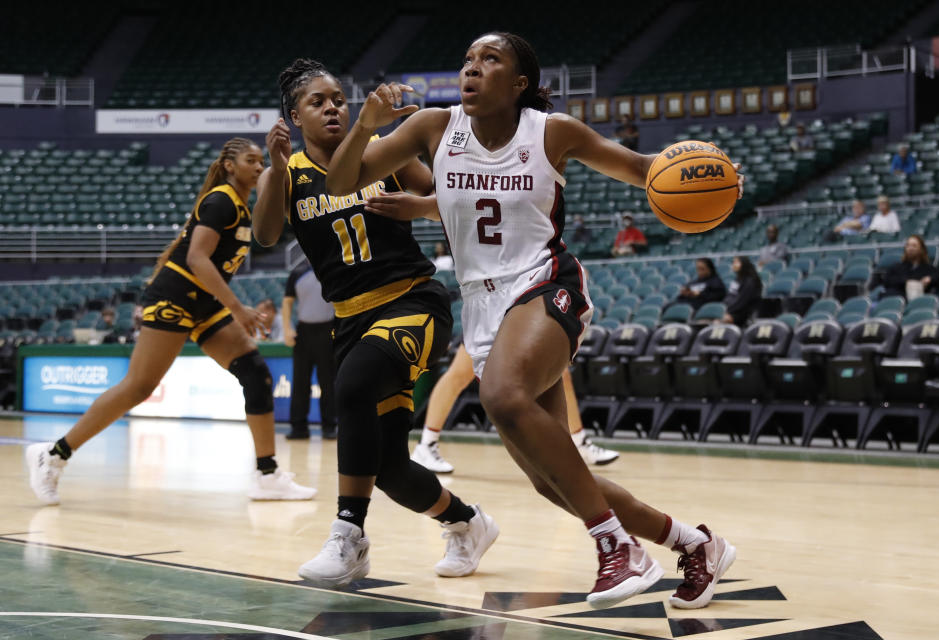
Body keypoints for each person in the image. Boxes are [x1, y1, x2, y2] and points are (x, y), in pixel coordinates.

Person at [327, 32, 738, 610]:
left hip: (546, 283)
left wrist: (709, 169)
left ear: (519, 84)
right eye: (467, 59)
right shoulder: (433, 127)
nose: (471, 69)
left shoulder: (550, 132)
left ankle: (619, 549)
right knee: (551, 480)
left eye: (489, 60)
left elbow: (647, 168)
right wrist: (366, 125)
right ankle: (694, 543)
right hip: (482, 303)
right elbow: (342, 182)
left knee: (500, 393)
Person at [252, 58, 498, 589]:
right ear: (295, 116)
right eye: (318, 102)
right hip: (350, 319)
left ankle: (349, 535)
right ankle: (467, 522)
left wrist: (415, 205)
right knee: (387, 470)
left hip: (411, 298)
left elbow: (447, 201)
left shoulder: (379, 151)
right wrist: (274, 168)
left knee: (354, 384)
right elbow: (267, 235)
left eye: (338, 98)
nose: (333, 107)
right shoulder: (289, 172)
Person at [25, 138, 317, 506]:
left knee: (255, 371)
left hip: (202, 301)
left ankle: (268, 474)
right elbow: (196, 258)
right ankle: (52, 454)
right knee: (138, 387)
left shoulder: (241, 206)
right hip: (174, 295)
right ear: (229, 165)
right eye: (251, 160)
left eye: (261, 162)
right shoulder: (221, 200)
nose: (258, 167)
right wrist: (237, 308)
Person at [413, 343, 619, 473]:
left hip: (519, 303)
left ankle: (578, 443)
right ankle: (426, 446)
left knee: (560, 373)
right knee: (460, 374)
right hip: (492, 305)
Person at [283, 261, 338, 440]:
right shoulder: (297, 272)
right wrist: (286, 329)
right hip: (303, 332)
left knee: (328, 382)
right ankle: (298, 427)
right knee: (300, 382)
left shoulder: (332, 269)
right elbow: (287, 301)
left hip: (328, 330)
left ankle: (330, 426)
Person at [880, 235, 938, 299]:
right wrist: (906, 282)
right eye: (908, 245)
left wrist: (930, 279)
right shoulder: (897, 267)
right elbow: (886, 281)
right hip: (894, 296)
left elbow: (938, 277)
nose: (910, 248)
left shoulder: (929, 268)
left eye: (914, 246)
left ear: (922, 249)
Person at [722, 256, 762, 326]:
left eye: (736, 262)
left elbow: (742, 302)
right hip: (732, 310)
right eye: (733, 262)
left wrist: (728, 311)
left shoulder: (750, 281)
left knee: (719, 321)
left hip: (743, 313)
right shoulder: (737, 279)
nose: (734, 264)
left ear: (744, 264)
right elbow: (729, 296)